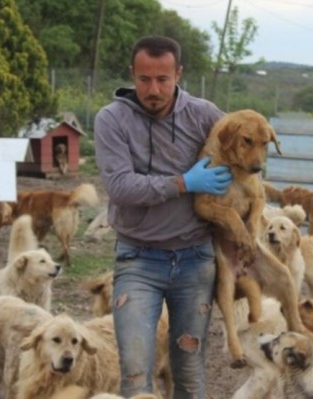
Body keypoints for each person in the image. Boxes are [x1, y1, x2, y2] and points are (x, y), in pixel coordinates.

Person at [94, 35, 232, 398]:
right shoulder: (112, 120)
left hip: (195, 259)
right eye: (144, 79)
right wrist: (184, 182)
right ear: (132, 74)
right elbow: (121, 188)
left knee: (188, 373)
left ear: (179, 74)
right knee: (136, 372)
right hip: (138, 259)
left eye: (163, 80)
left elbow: (244, 156)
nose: (153, 89)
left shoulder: (204, 115)